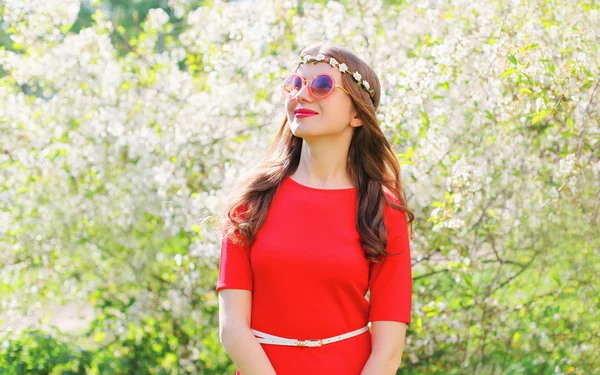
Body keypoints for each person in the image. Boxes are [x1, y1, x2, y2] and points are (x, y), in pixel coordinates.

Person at [216, 40, 415, 375]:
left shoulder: (382, 210)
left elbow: (389, 349)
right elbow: (232, 328)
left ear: (356, 113)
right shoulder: (252, 199)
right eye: (296, 83)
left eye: (321, 86)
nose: (302, 95)